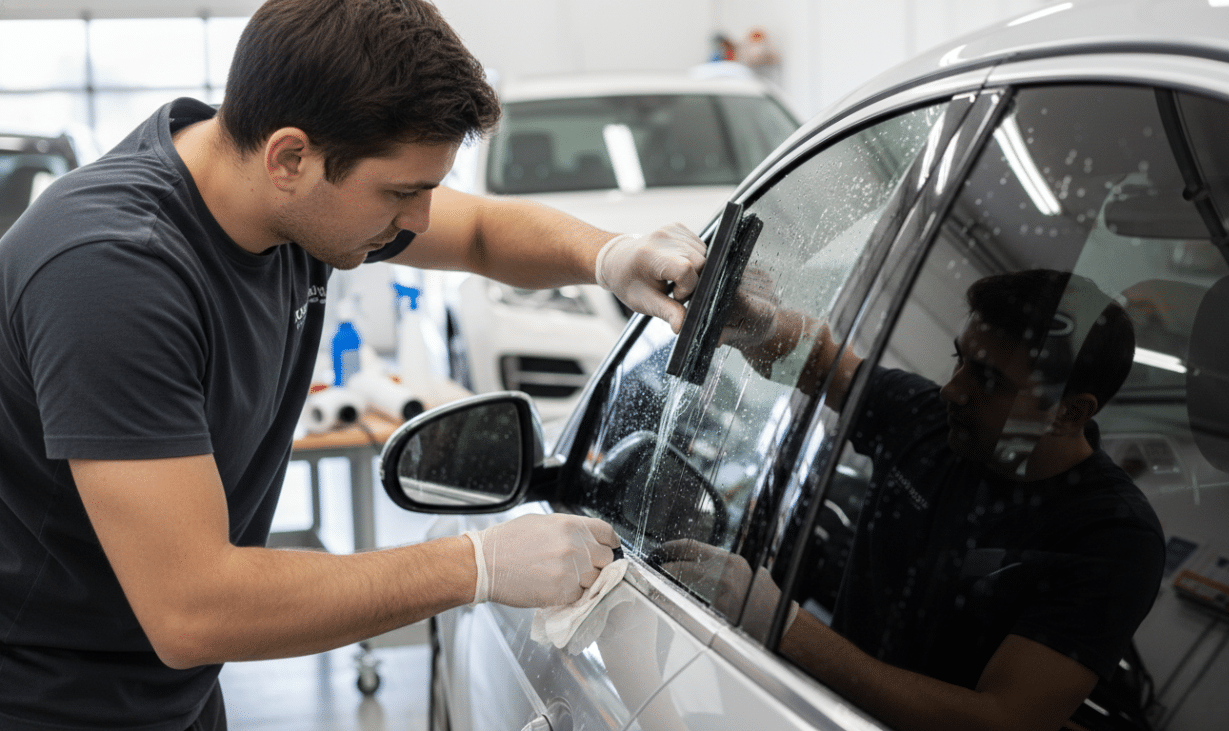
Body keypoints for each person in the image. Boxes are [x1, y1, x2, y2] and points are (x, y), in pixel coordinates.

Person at [0, 1, 706, 729]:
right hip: (48, 699)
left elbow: (480, 232)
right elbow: (194, 607)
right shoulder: (111, 272)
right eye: (402, 193)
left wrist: (610, 256)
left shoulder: (276, 188)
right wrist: (477, 564)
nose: (420, 220)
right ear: (289, 159)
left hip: (167, 690)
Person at [662, 270, 1165, 731]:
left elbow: (1002, 720)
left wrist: (784, 625)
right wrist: (757, 323)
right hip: (812, 713)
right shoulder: (931, 422)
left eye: (989, 380)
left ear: (1069, 412)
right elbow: (820, 361)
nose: (952, 390)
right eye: (960, 359)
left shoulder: (1112, 537)